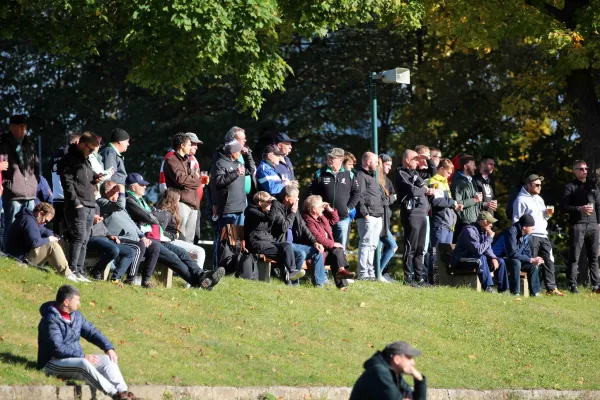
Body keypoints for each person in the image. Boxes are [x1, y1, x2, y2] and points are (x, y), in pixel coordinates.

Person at [38, 285, 141, 400]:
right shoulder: (50, 320)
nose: (79, 304)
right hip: (52, 363)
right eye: (77, 301)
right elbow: (57, 348)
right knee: (83, 363)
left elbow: (92, 332)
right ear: (66, 302)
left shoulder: (76, 316)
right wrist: (82, 356)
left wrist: (108, 348)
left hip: (75, 360)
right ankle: (116, 395)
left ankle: (125, 393)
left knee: (108, 359)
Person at [124, 173, 224, 289]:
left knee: (181, 252)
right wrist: (154, 216)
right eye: (141, 185)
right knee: (173, 257)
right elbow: (148, 217)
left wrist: (153, 216)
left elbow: (152, 215)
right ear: (133, 187)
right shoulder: (130, 200)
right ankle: (200, 282)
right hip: (146, 240)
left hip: (157, 237)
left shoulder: (141, 200)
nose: (145, 187)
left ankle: (202, 276)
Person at [58, 132, 104, 282]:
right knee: (78, 237)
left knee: (85, 238)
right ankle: (72, 269)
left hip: (90, 203)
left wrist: (96, 178)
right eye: (90, 150)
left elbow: (86, 179)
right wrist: (75, 202)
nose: (91, 153)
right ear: (82, 145)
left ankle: (80, 270)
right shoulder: (68, 160)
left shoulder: (86, 161)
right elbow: (68, 183)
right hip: (78, 204)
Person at [98, 181, 161, 285]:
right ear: (107, 192)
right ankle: (130, 278)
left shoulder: (118, 205)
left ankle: (146, 280)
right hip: (119, 237)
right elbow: (119, 206)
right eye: (116, 191)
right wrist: (122, 192)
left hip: (133, 237)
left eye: (119, 192)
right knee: (140, 246)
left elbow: (131, 222)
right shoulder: (102, 202)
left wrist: (142, 236)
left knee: (155, 247)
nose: (118, 193)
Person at [512, 174, 564, 296]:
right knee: (533, 262)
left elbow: (543, 216)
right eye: (537, 185)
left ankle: (551, 288)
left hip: (543, 234)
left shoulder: (539, 199)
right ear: (528, 185)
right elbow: (516, 220)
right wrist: (521, 235)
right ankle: (533, 290)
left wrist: (547, 214)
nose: (540, 187)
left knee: (549, 260)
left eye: (540, 185)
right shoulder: (520, 200)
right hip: (531, 235)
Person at [5, 202, 77, 282]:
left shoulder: (32, 220)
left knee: (54, 242)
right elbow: (35, 242)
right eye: (45, 220)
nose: (45, 223)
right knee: (52, 245)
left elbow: (44, 230)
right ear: (40, 213)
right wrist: (49, 239)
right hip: (17, 261)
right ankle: (67, 275)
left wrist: (55, 237)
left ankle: (65, 272)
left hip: (21, 258)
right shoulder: (28, 221)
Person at [270, 185, 326, 286]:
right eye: (295, 197)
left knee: (317, 251)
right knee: (301, 254)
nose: (298, 199)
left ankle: (319, 284)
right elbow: (284, 227)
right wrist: (292, 212)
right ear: (287, 198)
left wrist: (314, 242)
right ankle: (293, 283)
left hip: (293, 244)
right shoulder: (276, 208)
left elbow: (303, 226)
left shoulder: (293, 208)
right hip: (281, 244)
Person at [244, 191, 305, 282]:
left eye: (271, 202)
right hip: (256, 243)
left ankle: (291, 271)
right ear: (260, 203)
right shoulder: (251, 211)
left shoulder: (264, 211)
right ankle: (286, 277)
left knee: (286, 246)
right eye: (268, 202)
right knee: (283, 253)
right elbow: (269, 218)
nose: (270, 204)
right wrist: (275, 203)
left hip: (268, 241)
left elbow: (272, 218)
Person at [559, 160, 600, 294]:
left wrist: (598, 223)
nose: (584, 171)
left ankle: (596, 285)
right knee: (575, 256)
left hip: (593, 225)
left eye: (586, 169)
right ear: (575, 170)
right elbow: (563, 207)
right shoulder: (570, 187)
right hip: (578, 225)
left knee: (594, 256)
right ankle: (572, 284)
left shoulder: (593, 185)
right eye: (581, 169)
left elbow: (599, 205)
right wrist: (579, 209)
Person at [0, 114, 40, 251]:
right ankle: (8, 253)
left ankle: (24, 255)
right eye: (20, 126)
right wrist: (7, 182)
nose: (23, 129)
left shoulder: (29, 144)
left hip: (30, 193)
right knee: (11, 225)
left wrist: (35, 182)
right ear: (12, 127)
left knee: (28, 225)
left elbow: (36, 166)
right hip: (12, 192)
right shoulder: (3, 143)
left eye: (25, 126)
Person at [395, 149, 434, 286]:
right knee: (410, 247)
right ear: (407, 160)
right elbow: (413, 191)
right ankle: (408, 278)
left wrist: (426, 159)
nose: (417, 162)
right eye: (414, 159)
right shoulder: (401, 173)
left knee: (420, 248)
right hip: (411, 214)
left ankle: (419, 278)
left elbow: (429, 176)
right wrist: (424, 189)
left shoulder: (416, 173)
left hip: (423, 213)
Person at [309, 147, 360, 249]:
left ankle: (339, 265)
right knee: (324, 247)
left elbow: (356, 193)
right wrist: (317, 207)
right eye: (328, 157)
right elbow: (311, 193)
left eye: (332, 158)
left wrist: (348, 208)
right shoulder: (320, 173)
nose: (329, 159)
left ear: (341, 160)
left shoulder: (349, 175)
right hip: (323, 218)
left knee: (341, 249)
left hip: (342, 218)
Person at [303, 195, 357, 286]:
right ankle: (342, 281)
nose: (323, 209)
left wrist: (329, 208)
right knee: (336, 251)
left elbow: (335, 220)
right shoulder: (307, 220)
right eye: (321, 207)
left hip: (325, 250)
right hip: (316, 252)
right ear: (313, 209)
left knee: (337, 251)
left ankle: (341, 276)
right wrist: (333, 243)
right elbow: (317, 237)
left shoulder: (320, 217)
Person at [451, 211, 509, 293]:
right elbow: (478, 250)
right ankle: (488, 288)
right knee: (481, 259)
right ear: (482, 222)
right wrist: (490, 238)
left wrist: (493, 258)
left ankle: (503, 290)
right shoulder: (469, 230)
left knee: (500, 261)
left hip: (475, 258)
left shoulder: (484, 230)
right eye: (489, 222)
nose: (491, 225)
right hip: (461, 259)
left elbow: (487, 248)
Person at [350, 341, 426, 400]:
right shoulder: (379, 372)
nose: (413, 363)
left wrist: (419, 379)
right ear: (397, 359)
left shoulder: (394, 373)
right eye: (409, 358)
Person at [211, 139, 246, 266]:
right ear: (232, 152)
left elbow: (252, 170)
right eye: (239, 151)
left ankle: (234, 267)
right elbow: (219, 181)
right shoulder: (220, 163)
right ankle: (221, 266)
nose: (240, 153)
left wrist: (249, 156)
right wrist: (236, 173)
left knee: (237, 240)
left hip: (239, 208)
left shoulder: (238, 163)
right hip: (227, 208)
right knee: (225, 240)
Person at [427, 158, 463, 281]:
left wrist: (455, 206)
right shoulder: (434, 181)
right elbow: (436, 202)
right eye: (448, 172)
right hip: (440, 222)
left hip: (449, 223)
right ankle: (433, 279)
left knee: (446, 254)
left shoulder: (446, 183)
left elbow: (446, 202)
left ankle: (442, 279)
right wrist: (452, 202)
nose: (449, 175)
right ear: (441, 169)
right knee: (436, 252)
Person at [162, 132, 202, 243]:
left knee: (189, 240)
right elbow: (180, 180)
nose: (191, 147)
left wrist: (193, 179)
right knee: (180, 237)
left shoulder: (187, 160)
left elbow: (196, 181)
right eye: (189, 144)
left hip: (193, 203)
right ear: (182, 145)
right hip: (181, 202)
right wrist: (195, 178)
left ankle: (187, 260)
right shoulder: (171, 160)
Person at [87, 197, 139, 282]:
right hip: (91, 238)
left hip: (104, 238)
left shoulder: (95, 206)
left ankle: (116, 278)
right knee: (113, 250)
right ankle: (96, 271)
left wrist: (110, 235)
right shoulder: (80, 206)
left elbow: (101, 226)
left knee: (130, 252)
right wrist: (91, 220)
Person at [154, 188, 206, 270]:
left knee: (196, 252)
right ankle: (198, 278)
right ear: (173, 200)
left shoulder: (166, 212)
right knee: (200, 251)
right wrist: (174, 236)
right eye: (178, 200)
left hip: (171, 241)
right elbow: (159, 233)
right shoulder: (166, 214)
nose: (179, 202)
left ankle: (197, 276)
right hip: (168, 242)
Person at [492, 214, 542, 296]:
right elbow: (512, 253)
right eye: (531, 226)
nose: (534, 228)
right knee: (516, 262)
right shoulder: (511, 232)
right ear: (524, 227)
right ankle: (515, 292)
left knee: (532, 265)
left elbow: (526, 252)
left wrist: (533, 260)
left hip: (511, 258)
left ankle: (535, 292)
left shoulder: (527, 235)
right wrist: (530, 259)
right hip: (498, 259)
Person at [355, 152, 385, 280]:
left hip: (377, 216)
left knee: (373, 246)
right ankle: (363, 273)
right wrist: (365, 214)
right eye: (375, 162)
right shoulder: (361, 176)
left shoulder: (371, 177)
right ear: (368, 162)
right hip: (368, 216)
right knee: (366, 244)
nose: (378, 165)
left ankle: (370, 272)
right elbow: (358, 196)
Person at [51, 132, 81, 235]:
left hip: (56, 198)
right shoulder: (73, 155)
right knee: (73, 234)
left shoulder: (56, 153)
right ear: (77, 142)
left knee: (58, 233)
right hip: (70, 198)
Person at [451, 154, 483, 241]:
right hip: (464, 224)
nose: (475, 167)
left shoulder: (471, 181)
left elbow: (475, 202)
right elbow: (456, 204)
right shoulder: (457, 182)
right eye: (472, 165)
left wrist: (483, 203)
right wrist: (474, 200)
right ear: (465, 166)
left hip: (474, 222)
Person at [377, 154, 398, 283]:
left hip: (386, 219)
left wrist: (390, 199)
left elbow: (394, 196)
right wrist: (390, 198)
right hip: (379, 219)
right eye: (387, 165)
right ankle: (377, 272)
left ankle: (378, 273)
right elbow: (384, 200)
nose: (390, 168)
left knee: (381, 248)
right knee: (392, 246)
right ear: (381, 164)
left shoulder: (387, 181)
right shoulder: (376, 180)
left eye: (391, 165)